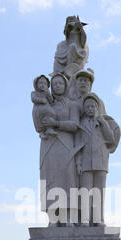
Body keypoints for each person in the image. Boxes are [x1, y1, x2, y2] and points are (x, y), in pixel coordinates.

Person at [39, 73, 80, 226]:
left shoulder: (73, 104)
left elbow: (74, 124)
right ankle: (53, 218)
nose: (57, 86)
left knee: (68, 180)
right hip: (49, 145)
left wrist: (55, 123)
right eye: (54, 84)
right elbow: (39, 121)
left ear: (65, 86)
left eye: (60, 83)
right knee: (51, 180)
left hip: (66, 146)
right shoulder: (46, 105)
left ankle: (68, 216)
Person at [75, 93, 120, 225]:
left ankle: (99, 219)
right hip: (86, 163)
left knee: (99, 193)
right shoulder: (81, 125)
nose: (90, 109)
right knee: (85, 192)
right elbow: (77, 146)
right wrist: (78, 163)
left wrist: (104, 124)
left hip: (100, 163)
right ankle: (85, 219)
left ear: (97, 107)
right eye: (87, 107)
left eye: (93, 106)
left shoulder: (102, 122)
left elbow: (111, 139)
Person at [31, 75, 57, 139]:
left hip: (47, 109)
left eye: (45, 83)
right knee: (39, 120)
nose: (43, 85)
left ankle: (49, 129)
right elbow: (33, 99)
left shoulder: (46, 92)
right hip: (38, 109)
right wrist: (41, 100)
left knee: (51, 114)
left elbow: (51, 100)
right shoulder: (34, 93)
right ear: (36, 84)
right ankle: (41, 132)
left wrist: (48, 93)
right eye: (40, 83)